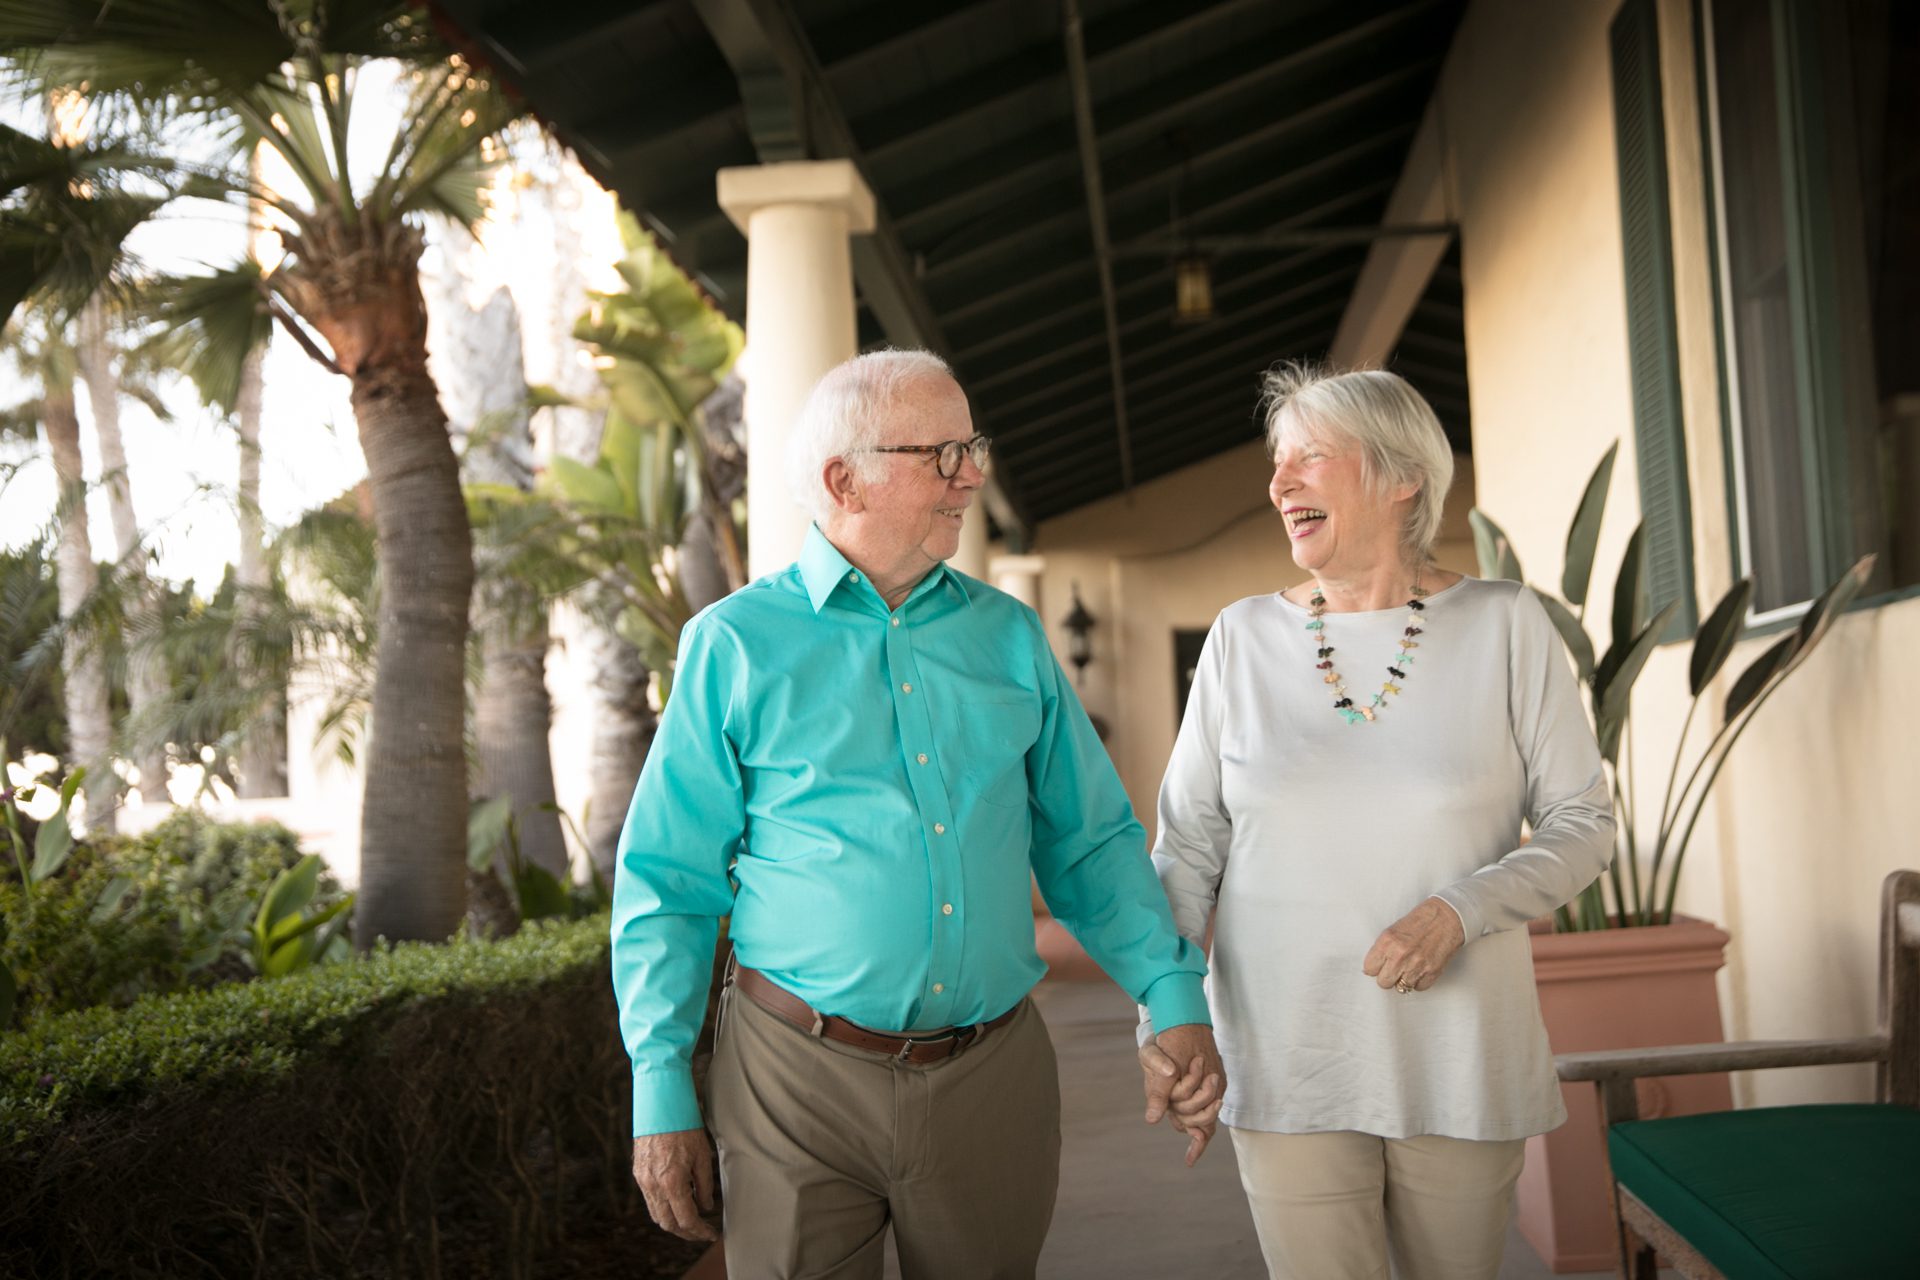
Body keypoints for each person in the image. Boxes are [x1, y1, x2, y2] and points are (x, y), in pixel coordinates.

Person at [611, 348, 1224, 1279]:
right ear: (841, 478)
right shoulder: (732, 645)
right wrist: (661, 1090)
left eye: (970, 447)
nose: (971, 474)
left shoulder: (1009, 634)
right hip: (792, 1081)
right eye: (941, 455)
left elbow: (1088, 839)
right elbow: (667, 883)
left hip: (992, 1076)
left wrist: (1170, 993)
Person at [1143, 364, 1614, 1280]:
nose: (1279, 485)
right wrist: (1162, 1016)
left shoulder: (1506, 627)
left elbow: (1582, 821)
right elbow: (1187, 849)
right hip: (1285, 1059)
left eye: (1310, 459)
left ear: (1403, 477)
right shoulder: (1240, 638)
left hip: (1459, 1054)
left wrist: (1458, 911)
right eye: (1277, 464)